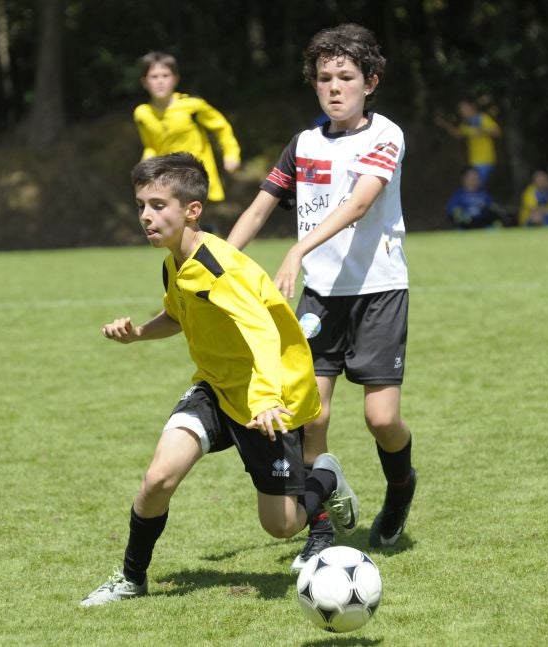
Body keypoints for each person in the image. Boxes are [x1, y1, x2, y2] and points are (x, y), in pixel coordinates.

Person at [79, 152, 359, 607]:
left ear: (193, 210)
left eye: (158, 205)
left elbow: (262, 333)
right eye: (141, 206)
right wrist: (139, 335)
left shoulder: (219, 267)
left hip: (265, 395)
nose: (146, 217)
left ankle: (324, 475)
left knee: (282, 526)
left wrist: (266, 399)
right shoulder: (175, 261)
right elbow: (177, 313)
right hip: (214, 386)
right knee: (157, 479)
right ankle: (132, 578)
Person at [226, 23, 417, 570]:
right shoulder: (303, 145)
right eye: (325, 78)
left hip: (379, 292)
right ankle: (322, 530)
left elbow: (358, 205)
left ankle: (399, 487)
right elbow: (260, 207)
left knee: (381, 419)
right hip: (320, 299)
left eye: (347, 77)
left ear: (370, 82)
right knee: (310, 415)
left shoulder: (386, 135)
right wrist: (214, 265)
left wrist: (296, 250)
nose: (334, 87)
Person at [133, 52, 241, 204]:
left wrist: (231, 153)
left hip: (198, 176)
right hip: (168, 180)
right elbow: (151, 146)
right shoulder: (142, 114)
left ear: (175, 79)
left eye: (165, 75)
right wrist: (145, 163)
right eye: (154, 77)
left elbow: (221, 127)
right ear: (144, 82)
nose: (160, 81)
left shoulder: (192, 106)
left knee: (198, 221)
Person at [435, 98, 501, 185]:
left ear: (472, 107)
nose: (462, 112)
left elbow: (497, 132)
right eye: (461, 110)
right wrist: (444, 124)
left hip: (485, 160)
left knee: (475, 186)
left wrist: (483, 130)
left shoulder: (482, 118)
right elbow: (458, 133)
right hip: (474, 162)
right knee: (475, 187)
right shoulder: (466, 123)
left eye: (464, 108)